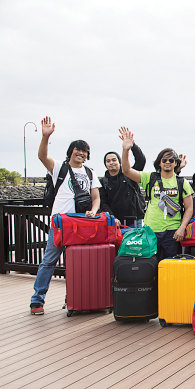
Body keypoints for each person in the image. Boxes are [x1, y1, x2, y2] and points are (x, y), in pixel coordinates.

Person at [30, 116, 101, 315]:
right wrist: (45, 137)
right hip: (60, 223)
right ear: (70, 152)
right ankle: (37, 300)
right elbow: (42, 157)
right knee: (49, 261)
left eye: (84, 151)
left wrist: (94, 212)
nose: (81, 153)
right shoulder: (60, 168)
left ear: (87, 155)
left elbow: (96, 197)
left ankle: (74, 299)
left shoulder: (90, 173)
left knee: (78, 263)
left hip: (82, 224)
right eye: (77, 150)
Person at [120, 128, 194, 260]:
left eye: (171, 160)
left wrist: (182, 228)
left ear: (176, 163)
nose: (167, 162)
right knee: (150, 268)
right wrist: (126, 150)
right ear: (159, 162)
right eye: (164, 160)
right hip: (150, 231)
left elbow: (189, 208)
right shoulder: (150, 178)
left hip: (173, 232)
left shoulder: (182, 182)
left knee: (171, 268)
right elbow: (126, 170)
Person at [99, 127, 146, 227]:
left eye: (114, 160)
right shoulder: (103, 182)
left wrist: (132, 146)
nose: (111, 163)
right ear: (105, 164)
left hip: (135, 220)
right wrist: (112, 217)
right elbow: (103, 203)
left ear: (119, 161)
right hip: (116, 222)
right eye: (108, 161)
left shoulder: (129, 174)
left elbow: (141, 161)